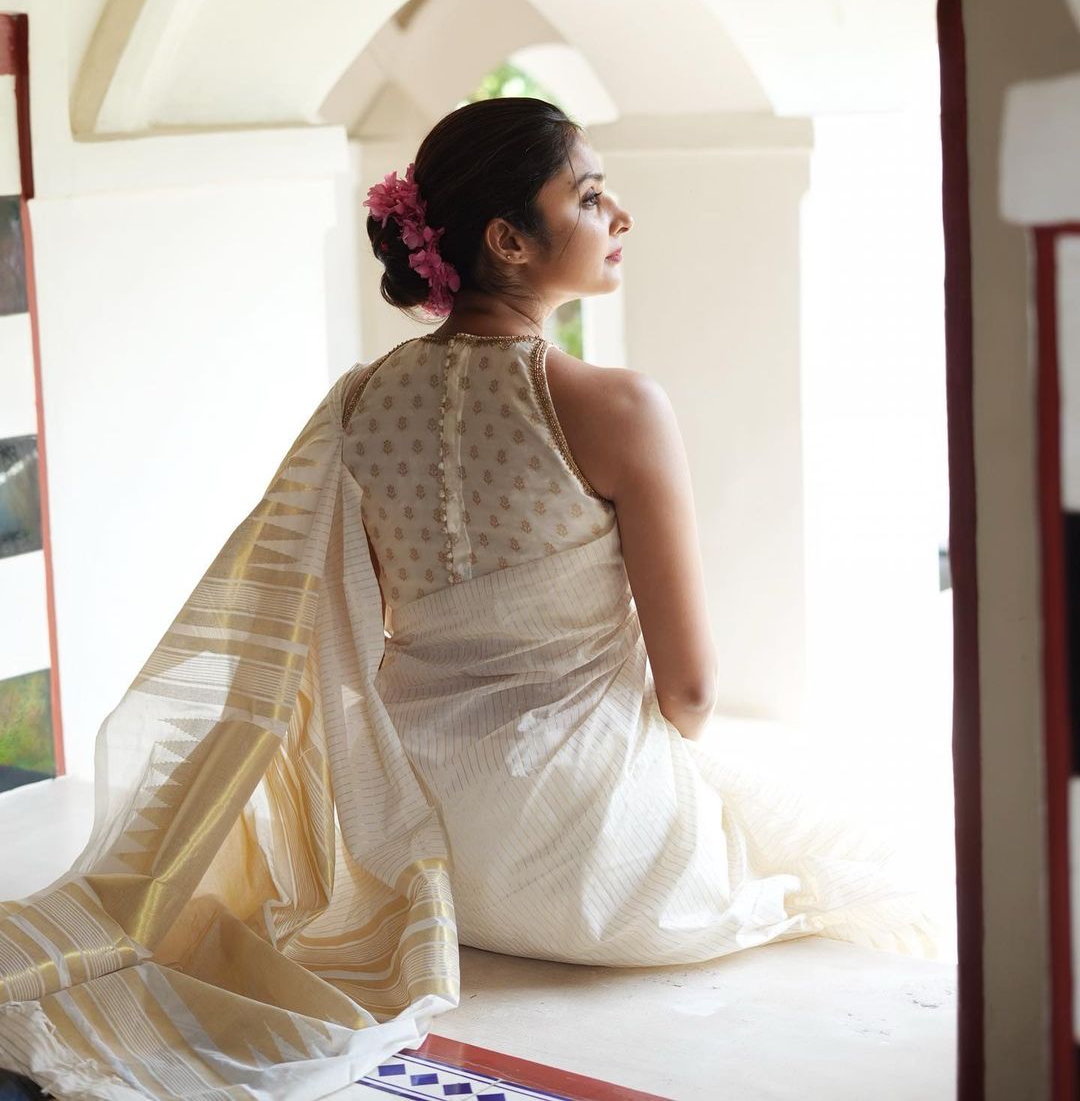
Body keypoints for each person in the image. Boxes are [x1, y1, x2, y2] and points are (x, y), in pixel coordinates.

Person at [0, 97, 940, 1100]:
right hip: (598, 868)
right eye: (588, 195)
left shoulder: (363, 400)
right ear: (507, 240)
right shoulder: (619, 407)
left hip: (409, 858)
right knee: (858, 860)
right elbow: (693, 694)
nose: (619, 213)